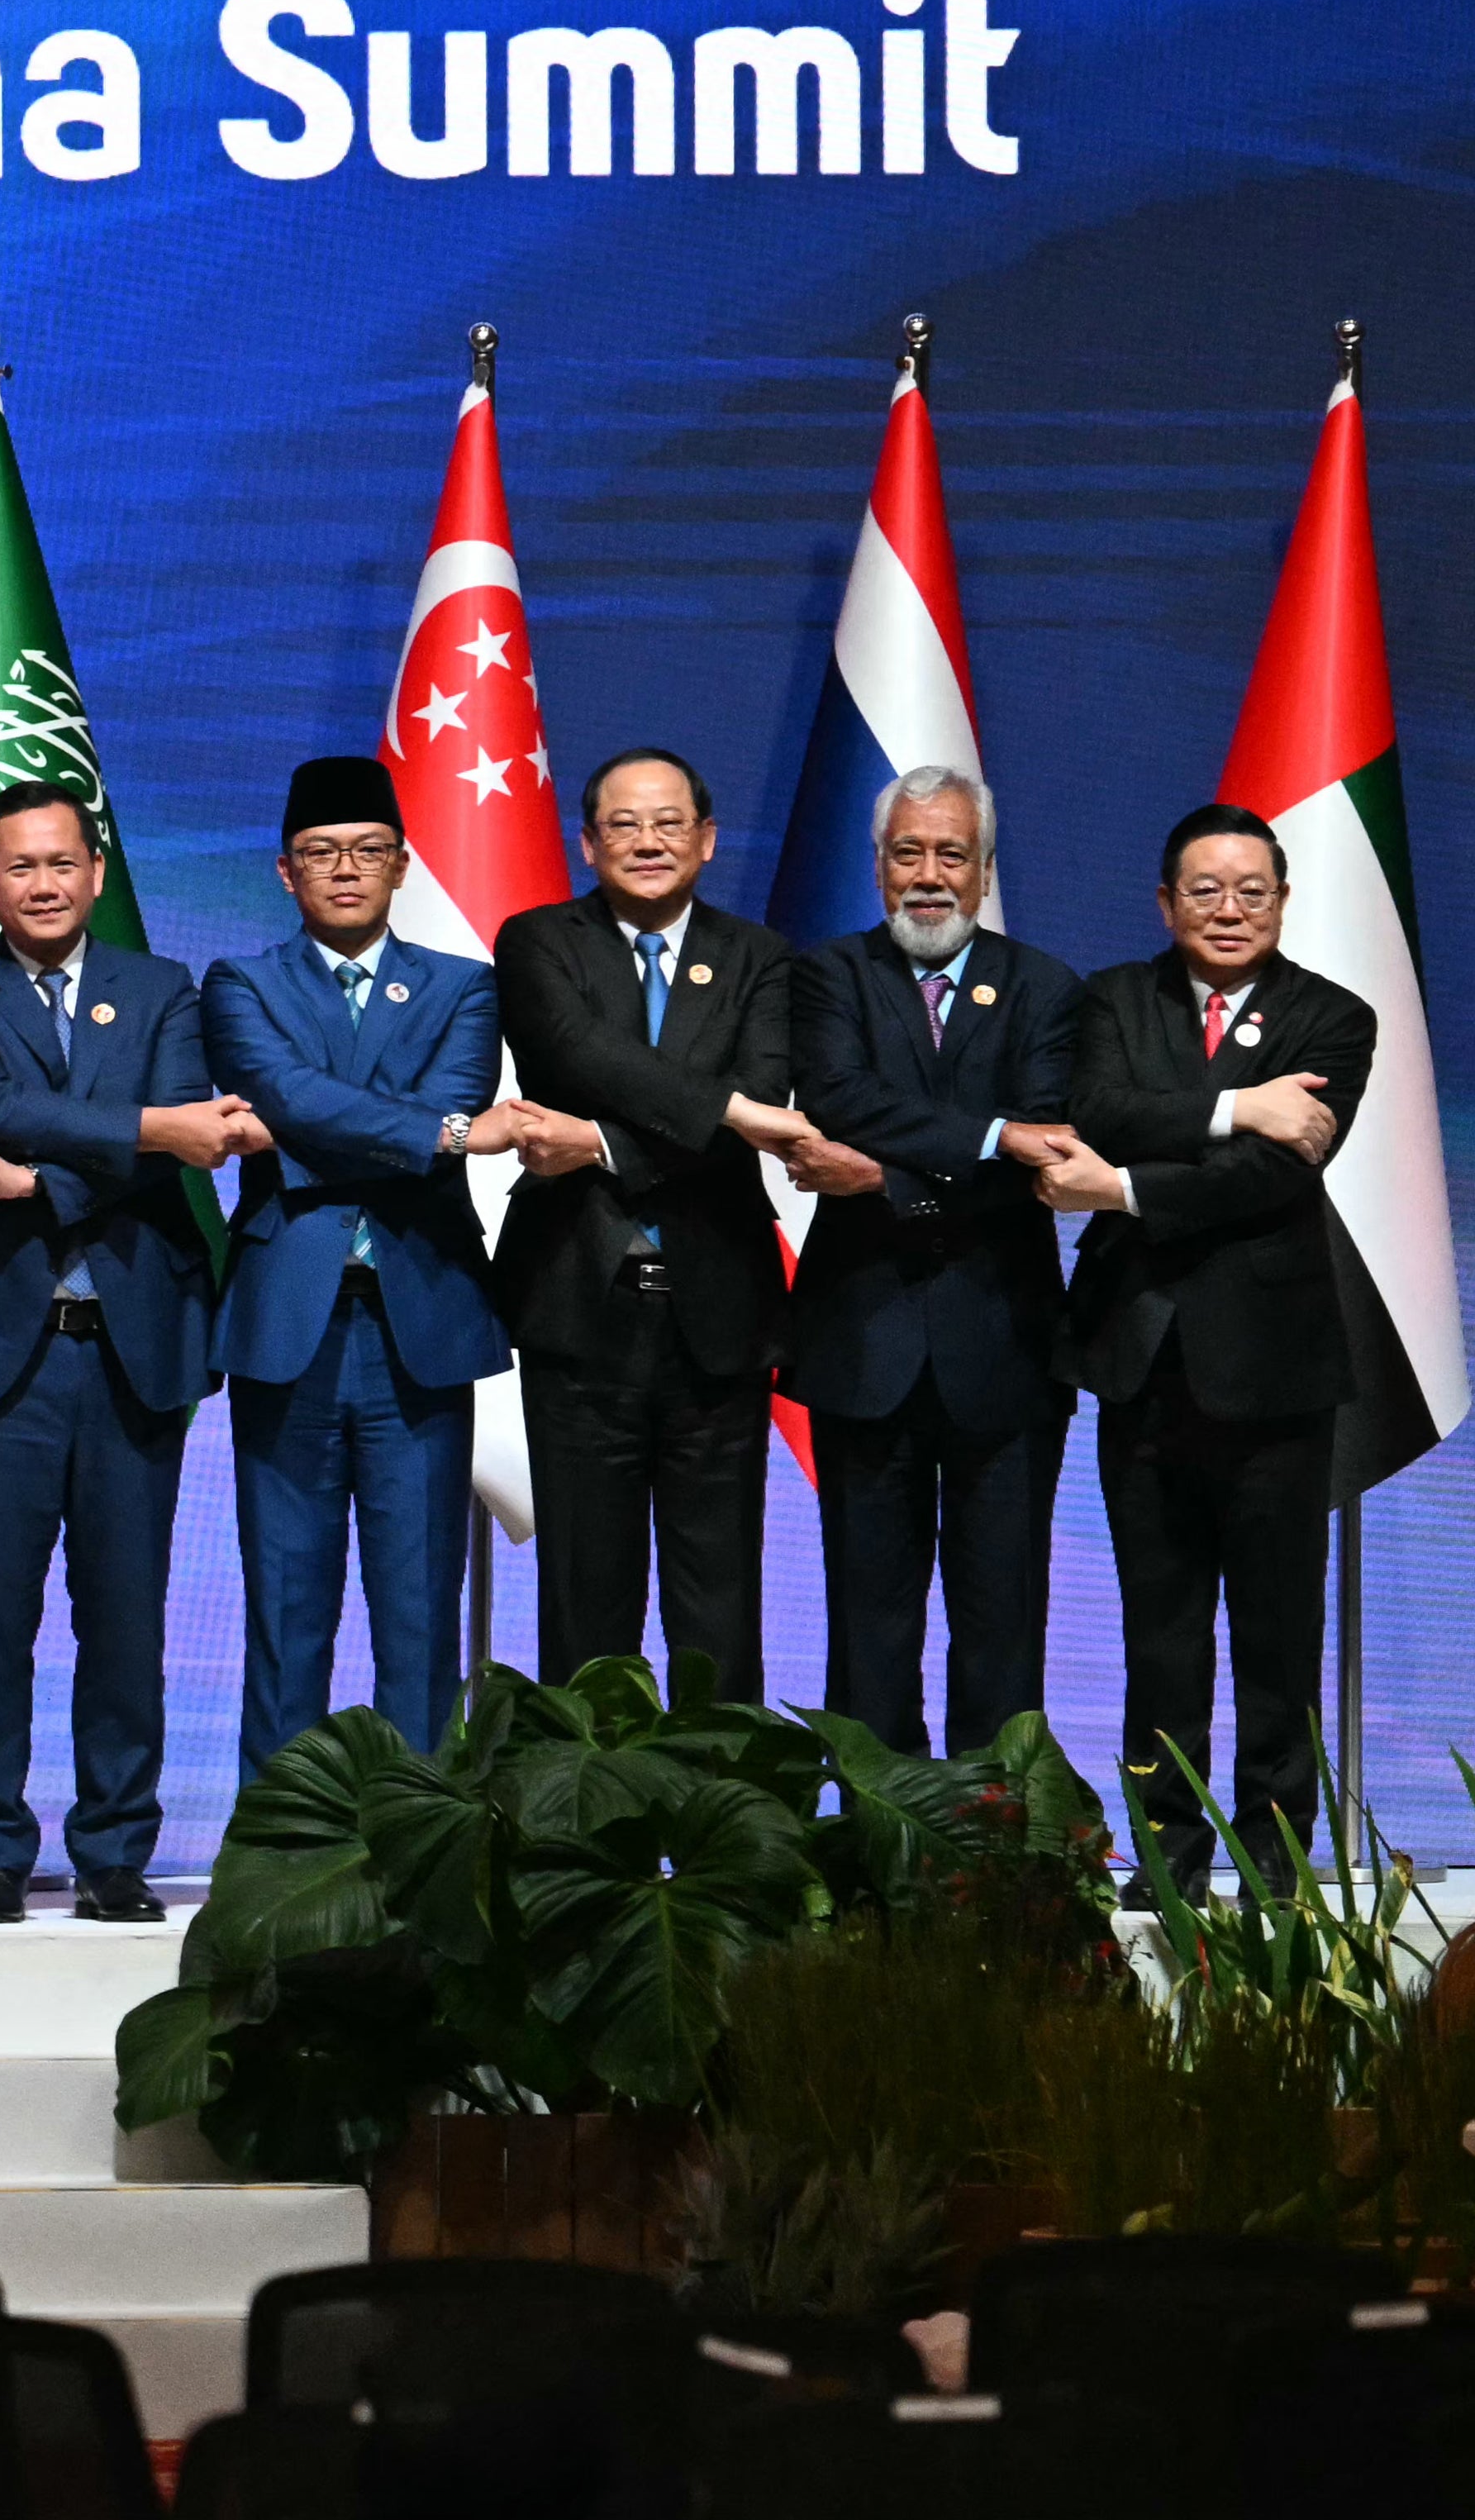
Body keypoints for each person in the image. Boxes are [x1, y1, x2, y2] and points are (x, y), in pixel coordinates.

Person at [0, 780, 248, 1923]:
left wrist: (48, 1169)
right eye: (17, 866)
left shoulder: (162, 987)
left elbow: (171, 1129)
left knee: (124, 1610)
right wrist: (146, 1128)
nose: (41, 883)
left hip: (132, 1343)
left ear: (94, 873)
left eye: (60, 862)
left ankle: (112, 1851)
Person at [1030, 803, 1371, 1894]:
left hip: (1274, 1378)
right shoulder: (1110, 999)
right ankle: (1164, 1857)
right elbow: (1096, 1107)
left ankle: (1273, 1863)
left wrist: (1119, 1187)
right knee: (1158, 1636)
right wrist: (1238, 1105)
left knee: (1274, 1641)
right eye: (1204, 889)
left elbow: (1270, 1175)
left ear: (1279, 898)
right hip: (1139, 1364)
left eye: (1250, 890)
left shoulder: (1333, 1016)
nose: (1227, 909)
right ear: (1164, 900)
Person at [200, 756, 548, 1769]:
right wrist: (439, 1135)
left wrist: (310, 1127)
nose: (344, 869)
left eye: (365, 851)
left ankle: (420, 1850)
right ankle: (280, 1852)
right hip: (286, 1324)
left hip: (418, 1320)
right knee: (284, 1608)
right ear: (283, 872)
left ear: (400, 865)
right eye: (320, 853)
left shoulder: (466, 987)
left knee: (418, 1612)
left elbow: (312, 1110)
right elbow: (282, 1093)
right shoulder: (238, 984)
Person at [488, 750, 816, 1702]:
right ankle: (596, 1838)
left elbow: (754, 1102)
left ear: (706, 841)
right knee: (585, 1605)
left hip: (717, 1316)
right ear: (586, 842)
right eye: (623, 825)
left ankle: (725, 1834)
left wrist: (598, 1146)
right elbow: (576, 1054)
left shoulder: (760, 956)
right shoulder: (537, 941)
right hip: (574, 1311)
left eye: (668, 823)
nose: (646, 842)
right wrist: (727, 1115)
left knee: (718, 1603)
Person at [783, 767, 1079, 1755]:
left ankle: (993, 1862)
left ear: (984, 869)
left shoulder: (1042, 986)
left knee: (1002, 1624)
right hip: (861, 1348)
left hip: (1004, 1346)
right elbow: (838, 1100)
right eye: (906, 852)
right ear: (875, 867)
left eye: (949, 853)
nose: (927, 874)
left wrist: (882, 1180)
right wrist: (993, 1137)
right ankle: (878, 1852)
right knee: (867, 1626)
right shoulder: (828, 976)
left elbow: (1046, 1146)